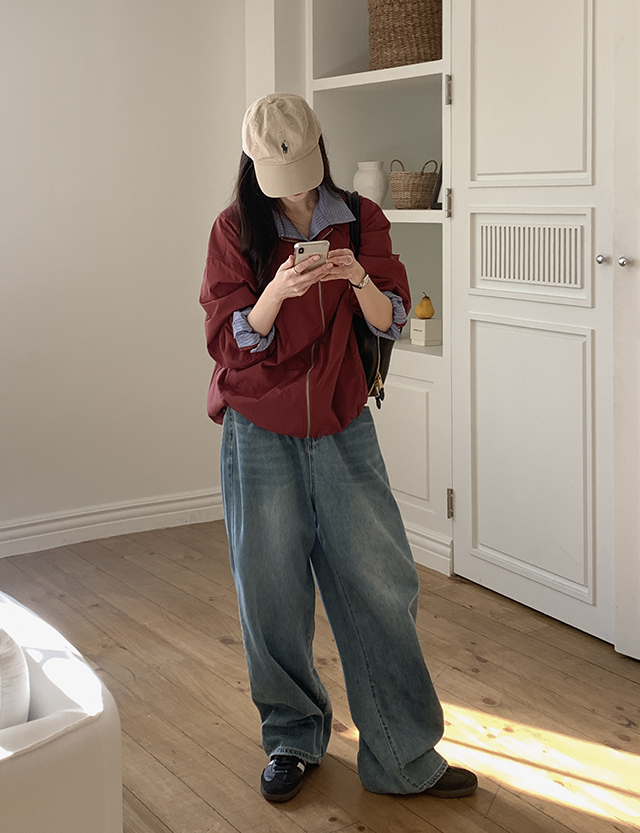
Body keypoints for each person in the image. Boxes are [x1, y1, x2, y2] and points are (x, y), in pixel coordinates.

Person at [200, 93, 477, 803]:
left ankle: (403, 754)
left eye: (301, 174)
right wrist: (276, 291)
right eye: (278, 179)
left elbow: (390, 320)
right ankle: (293, 738)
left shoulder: (361, 217)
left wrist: (356, 277)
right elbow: (229, 343)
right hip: (258, 431)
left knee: (382, 583)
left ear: (320, 151)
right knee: (271, 592)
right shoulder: (235, 230)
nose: (294, 193)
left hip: (341, 424)